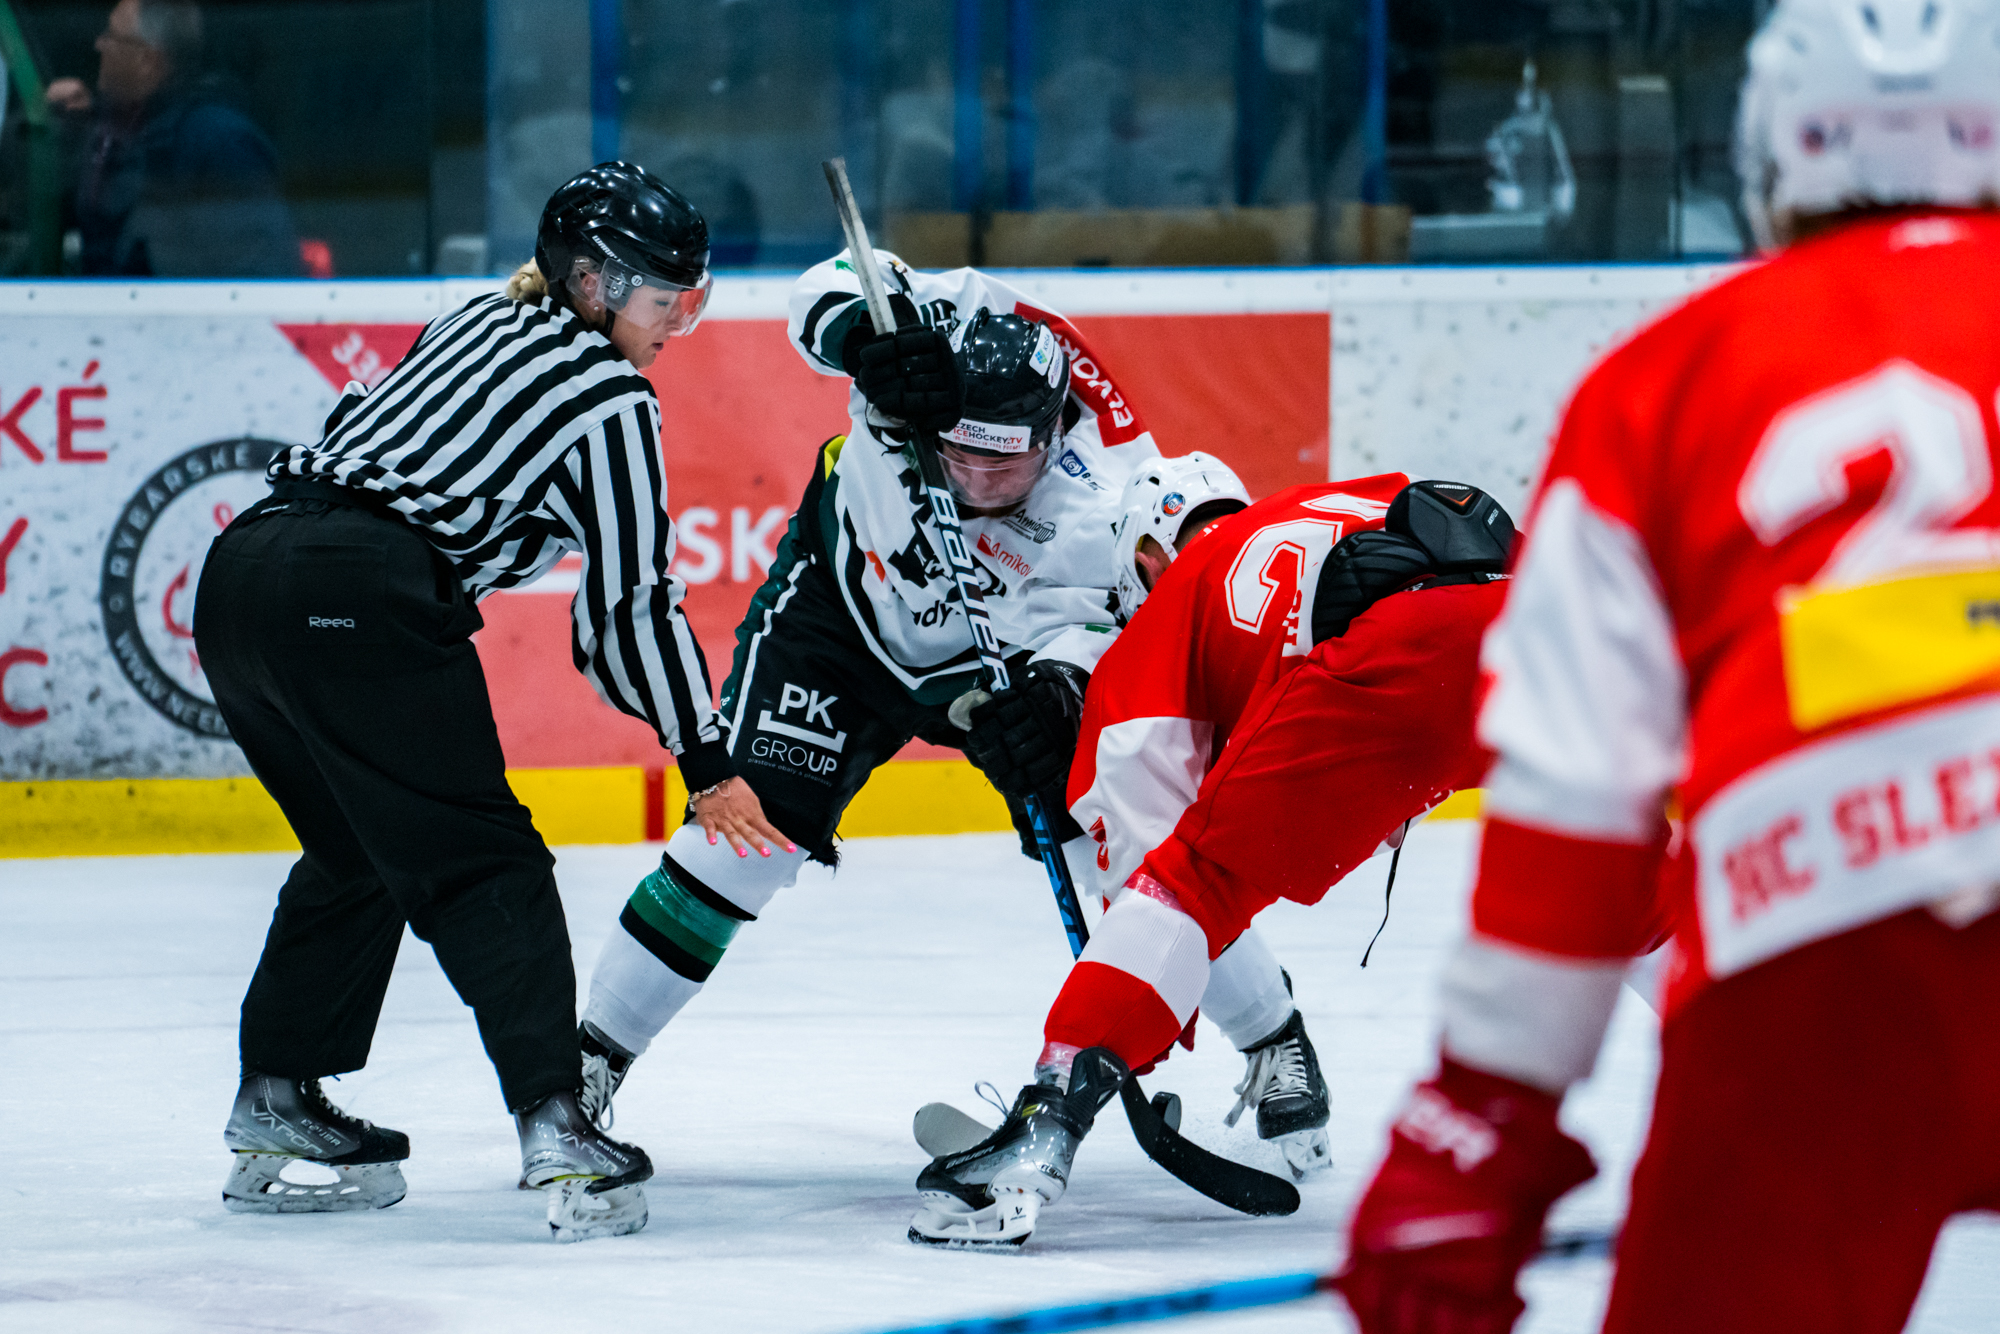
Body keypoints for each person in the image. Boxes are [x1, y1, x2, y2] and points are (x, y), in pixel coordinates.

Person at [1336, 2, 2000, 1330]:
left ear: (1767, 160)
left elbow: (1577, 799)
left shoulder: (1662, 380)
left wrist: (1478, 1120)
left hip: (1823, 928)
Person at [193, 161, 767, 1242]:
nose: (675, 326)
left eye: (692, 302)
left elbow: (381, 456)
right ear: (593, 286)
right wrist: (703, 755)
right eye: (661, 301)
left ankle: (273, 1095)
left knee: (358, 846)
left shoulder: (470, 321)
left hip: (241, 576)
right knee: (485, 861)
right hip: (357, 592)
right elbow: (629, 610)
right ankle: (557, 1125)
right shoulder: (609, 396)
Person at [570, 249, 1159, 1122]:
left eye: (1005, 470)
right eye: (957, 457)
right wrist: (856, 337)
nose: (976, 485)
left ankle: (1272, 1037)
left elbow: (1105, 621)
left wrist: (1059, 693)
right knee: (743, 834)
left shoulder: (1109, 483)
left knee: (1110, 836)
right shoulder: (947, 314)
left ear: (1052, 436)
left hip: (989, 660)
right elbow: (824, 288)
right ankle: (587, 1065)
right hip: (837, 617)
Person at [910, 473, 1517, 1246]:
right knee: (1625, 887)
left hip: (1395, 667)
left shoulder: (1154, 634)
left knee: (1186, 887)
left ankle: (1045, 1126)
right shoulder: (1313, 506)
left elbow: (1162, 910)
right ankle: (1724, 1101)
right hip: (1542, 615)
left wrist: (1118, 1043)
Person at [45, 0, 297, 276]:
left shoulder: (219, 142)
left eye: (112, 36)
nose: (99, 44)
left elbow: (258, 279)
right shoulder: (111, 128)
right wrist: (66, 131)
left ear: (147, 61)